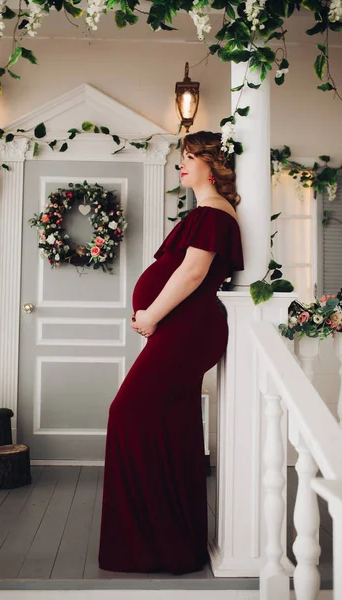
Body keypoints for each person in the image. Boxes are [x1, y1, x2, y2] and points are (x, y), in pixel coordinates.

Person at [98, 130, 244, 575]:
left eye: (188, 157)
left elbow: (193, 273)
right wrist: (153, 316)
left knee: (128, 411)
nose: (180, 164)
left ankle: (156, 539)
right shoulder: (204, 214)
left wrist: (152, 315)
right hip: (180, 326)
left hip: (186, 327)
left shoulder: (215, 214)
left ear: (211, 165)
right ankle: (170, 543)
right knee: (170, 423)